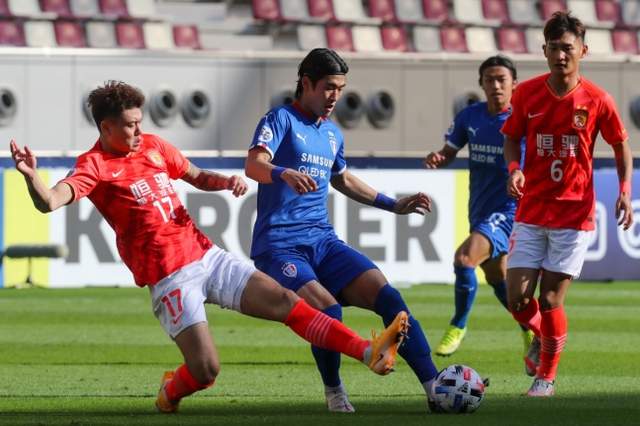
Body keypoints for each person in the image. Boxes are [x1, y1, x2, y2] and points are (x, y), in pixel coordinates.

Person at [9, 81, 411, 413]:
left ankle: (367, 350)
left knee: (287, 302)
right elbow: (51, 201)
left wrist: (226, 182)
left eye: (139, 123)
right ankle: (170, 391)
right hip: (170, 279)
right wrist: (31, 177)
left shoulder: (154, 146)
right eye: (129, 126)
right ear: (106, 127)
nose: (138, 131)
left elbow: (196, 175)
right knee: (206, 370)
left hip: (205, 255)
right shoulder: (93, 165)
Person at [244, 48, 440, 413]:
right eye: (329, 87)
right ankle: (334, 391)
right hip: (280, 246)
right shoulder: (280, 119)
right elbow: (254, 164)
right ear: (306, 83)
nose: (336, 96)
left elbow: (343, 179)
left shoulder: (332, 133)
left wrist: (393, 204)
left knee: (390, 299)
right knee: (328, 311)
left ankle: (435, 387)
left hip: (323, 240)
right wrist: (281, 173)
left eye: (341, 88)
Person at [501, 12, 633, 397]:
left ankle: (546, 379)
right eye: (554, 48)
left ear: (583, 51)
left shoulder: (598, 99)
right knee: (517, 298)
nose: (561, 55)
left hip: (573, 215)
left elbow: (621, 144)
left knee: (550, 299)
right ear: (544, 50)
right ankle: (545, 336)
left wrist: (625, 190)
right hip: (531, 209)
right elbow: (511, 138)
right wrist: (514, 169)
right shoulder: (526, 93)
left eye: (568, 48)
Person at [424, 55, 534, 358]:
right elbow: (449, 151)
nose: (496, 85)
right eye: (490, 80)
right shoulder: (470, 116)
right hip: (480, 209)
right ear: (481, 84)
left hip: (510, 210)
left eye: (502, 79)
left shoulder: (524, 120)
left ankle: (457, 325)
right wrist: (438, 158)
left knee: (464, 259)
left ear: (514, 84)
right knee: (498, 278)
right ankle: (530, 328)